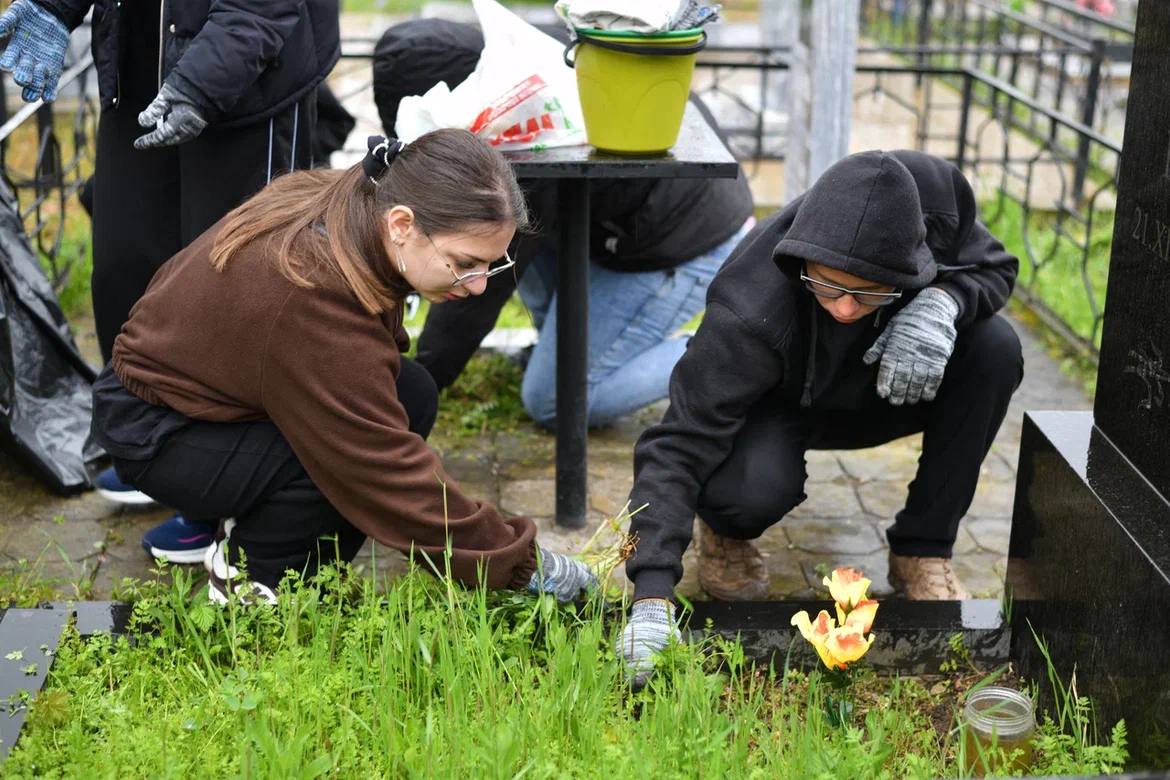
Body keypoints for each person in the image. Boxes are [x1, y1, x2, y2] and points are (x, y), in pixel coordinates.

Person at [89, 130, 596, 604]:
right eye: (465, 263)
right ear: (402, 224)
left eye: (492, 264)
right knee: (342, 460)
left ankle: (247, 529)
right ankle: (253, 580)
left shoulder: (359, 199)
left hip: (203, 394)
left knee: (411, 393)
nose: (480, 285)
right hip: (155, 428)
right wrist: (520, 565)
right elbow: (385, 472)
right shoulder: (311, 293)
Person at [615, 150, 1022, 683]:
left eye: (868, 290)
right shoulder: (747, 307)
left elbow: (997, 267)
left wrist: (944, 300)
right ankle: (726, 533)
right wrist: (651, 594)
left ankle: (922, 550)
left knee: (995, 349)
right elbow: (677, 444)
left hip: (888, 387)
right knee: (746, 493)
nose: (846, 308)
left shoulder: (934, 209)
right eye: (828, 285)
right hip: (775, 405)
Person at [0, 0, 342, 563]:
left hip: (247, 81)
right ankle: (171, 458)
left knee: (235, 295)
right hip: (139, 70)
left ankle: (239, 497)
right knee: (127, 275)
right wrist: (57, 7)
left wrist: (200, 84)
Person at [371, 18, 755, 425]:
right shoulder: (506, 57)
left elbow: (484, 284)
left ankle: (735, 353)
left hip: (686, 239)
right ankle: (577, 351)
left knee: (554, 401)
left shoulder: (518, 122)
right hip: (613, 224)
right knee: (506, 238)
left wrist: (419, 385)